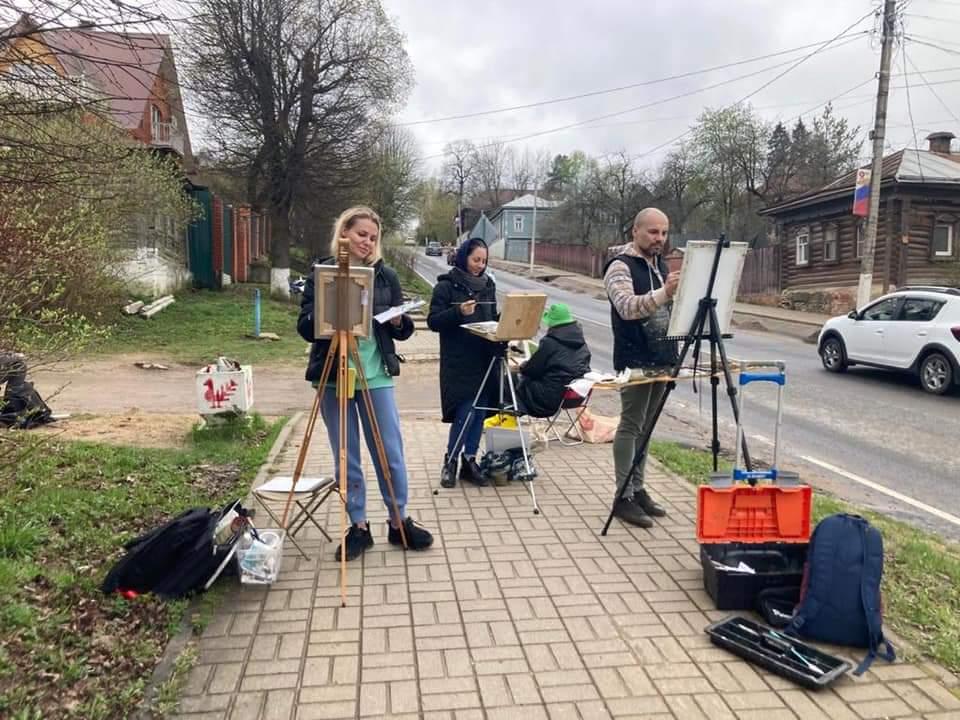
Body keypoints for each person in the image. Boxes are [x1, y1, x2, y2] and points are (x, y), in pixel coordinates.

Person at [296, 206, 433, 561]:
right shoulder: (322, 272)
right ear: (344, 233)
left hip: (375, 375)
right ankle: (358, 525)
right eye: (361, 234)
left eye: (373, 237)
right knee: (346, 455)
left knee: (390, 452)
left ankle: (398, 520)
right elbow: (304, 325)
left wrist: (400, 321)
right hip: (334, 375)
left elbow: (402, 331)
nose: (367, 242)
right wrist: (326, 311)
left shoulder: (386, 276)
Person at [603, 207, 681, 528]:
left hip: (661, 357)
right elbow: (626, 307)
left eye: (663, 232)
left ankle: (638, 489)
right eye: (652, 232)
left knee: (647, 428)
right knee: (632, 425)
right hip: (634, 359)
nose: (659, 239)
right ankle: (623, 496)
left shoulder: (659, 265)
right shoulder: (619, 266)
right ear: (635, 231)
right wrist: (665, 294)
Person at [427, 237, 498, 488]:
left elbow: (492, 316)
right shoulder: (447, 286)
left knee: (480, 413)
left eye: (484, 261)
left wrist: (506, 324)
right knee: (465, 413)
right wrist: (459, 312)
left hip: (484, 357)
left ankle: (470, 460)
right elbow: (433, 321)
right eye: (475, 259)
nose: (480, 265)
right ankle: (451, 460)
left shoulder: (488, 285)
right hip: (459, 360)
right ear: (464, 257)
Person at [513, 303, 591, 418]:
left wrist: (522, 366)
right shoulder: (581, 343)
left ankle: (507, 416)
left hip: (544, 400)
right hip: (569, 398)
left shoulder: (550, 342)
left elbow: (532, 370)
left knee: (510, 379)